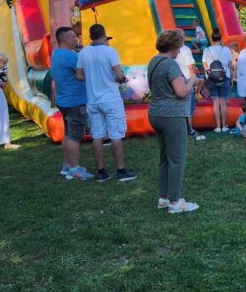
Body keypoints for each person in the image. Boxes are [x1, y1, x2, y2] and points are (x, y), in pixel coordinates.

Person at [146, 30, 200, 213]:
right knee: (177, 159)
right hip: (172, 116)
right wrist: (192, 81)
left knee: (165, 158)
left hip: (156, 114)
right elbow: (181, 91)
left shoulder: (154, 61)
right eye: (179, 46)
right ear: (173, 46)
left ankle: (163, 198)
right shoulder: (171, 64)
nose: (180, 50)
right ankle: (175, 202)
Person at [75, 23, 137, 182]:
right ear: (104, 35)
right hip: (110, 99)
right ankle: (121, 170)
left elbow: (79, 75)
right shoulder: (110, 51)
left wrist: (94, 77)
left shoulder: (83, 52)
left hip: (93, 100)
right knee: (116, 134)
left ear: (90, 37)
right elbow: (119, 75)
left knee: (97, 135)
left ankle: (101, 172)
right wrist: (122, 79)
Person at [50, 26, 93, 180]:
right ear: (66, 39)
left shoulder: (56, 54)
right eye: (74, 36)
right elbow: (87, 71)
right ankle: (74, 170)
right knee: (75, 136)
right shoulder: (71, 57)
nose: (76, 39)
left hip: (64, 100)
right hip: (75, 101)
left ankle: (67, 165)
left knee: (68, 134)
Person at [175, 31, 205, 140]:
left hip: (174, 80)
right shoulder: (185, 49)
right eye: (183, 35)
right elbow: (191, 67)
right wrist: (194, 82)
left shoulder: (171, 49)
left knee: (179, 106)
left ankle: (180, 130)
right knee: (188, 106)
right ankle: (189, 129)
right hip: (186, 80)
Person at [202, 30, 233, 133]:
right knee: (223, 102)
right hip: (224, 77)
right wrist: (231, 78)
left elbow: (205, 66)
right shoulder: (226, 49)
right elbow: (230, 65)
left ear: (212, 38)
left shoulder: (207, 50)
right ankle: (224, 126)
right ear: (220, 38)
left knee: (215, 103)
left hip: (211, 78)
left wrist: (208, 76)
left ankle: (218, 127)